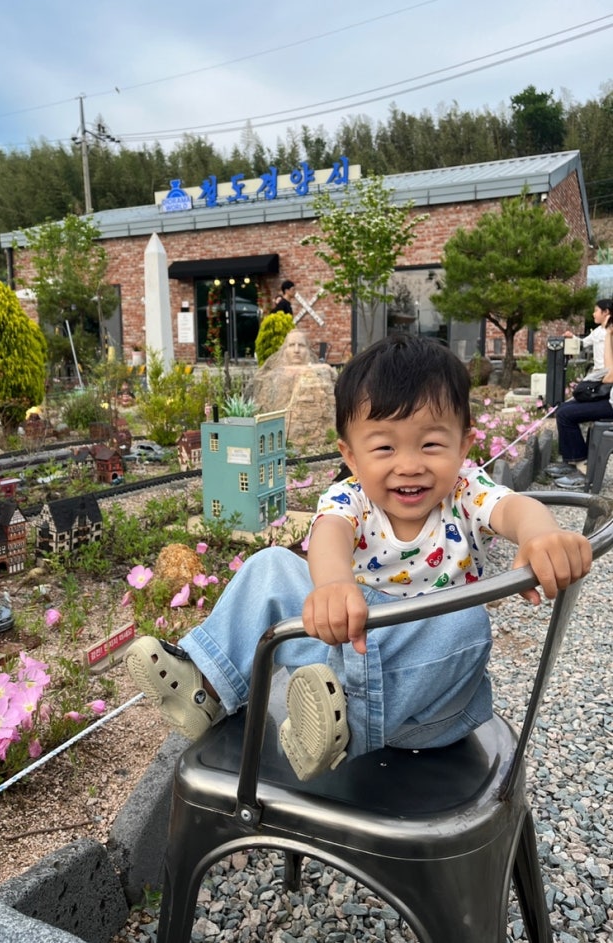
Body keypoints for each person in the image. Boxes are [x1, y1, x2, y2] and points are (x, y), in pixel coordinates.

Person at [126, 334, 591, 782]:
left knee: (467, 623)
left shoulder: (466, 493)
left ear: (464, 445)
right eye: (384, 447)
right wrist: (333, 584)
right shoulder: (350, 499)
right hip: (341, 675)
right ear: (350, 456)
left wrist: (541, 535)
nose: (409, 465)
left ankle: (343, 730)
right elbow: (328, 534)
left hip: (425, 711)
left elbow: (515, 507)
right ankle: (205, 687)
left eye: (431, 444)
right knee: (270, 566)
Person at [550, 310, 613, 487]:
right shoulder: (602, 333)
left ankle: (583, 469)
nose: (593, 313)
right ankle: (572, 460)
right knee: (564, 409)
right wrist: (608, 335)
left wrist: (608, 335)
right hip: (610, 399)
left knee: (566, 414)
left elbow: (609, 376)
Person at [564, 299, 612, 374]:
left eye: (596, 311)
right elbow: (583, 343)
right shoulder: (597, 331)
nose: (593, 314)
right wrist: (572, 337)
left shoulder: (611, 330)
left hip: (609, 372)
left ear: (606, 312)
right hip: (598, 371)